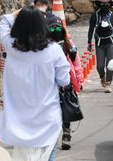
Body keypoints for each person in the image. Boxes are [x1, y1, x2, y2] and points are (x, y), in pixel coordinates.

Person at [0, 7, 70, 161]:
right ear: (43, 25)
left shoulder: (11, 46)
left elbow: (3, 23)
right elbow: (64, 80)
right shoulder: (54, 50)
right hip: (47, 119)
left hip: (19, 121)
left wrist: (17, 12)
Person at [46, 16, 83, 151]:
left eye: (58, 28)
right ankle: (51, 137)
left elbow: (77, 64)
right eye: (52, 28)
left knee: (65, 108)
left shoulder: (69, 44)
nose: (55, 30)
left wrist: (79, 81)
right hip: (49, 84)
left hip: (65, 82)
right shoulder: (43, 46)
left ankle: (66, 134)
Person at [87, 0, 113, 93]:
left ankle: (108, 83)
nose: (104, 6)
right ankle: (102, 77)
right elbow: (91, 29)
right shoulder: (95, 16)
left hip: (111, 43)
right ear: (99, 5)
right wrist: (89, 42)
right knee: (99, 66)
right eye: (102, 4)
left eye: (106, 4)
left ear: (109, 5)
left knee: (109, 64)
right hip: (99, 43)